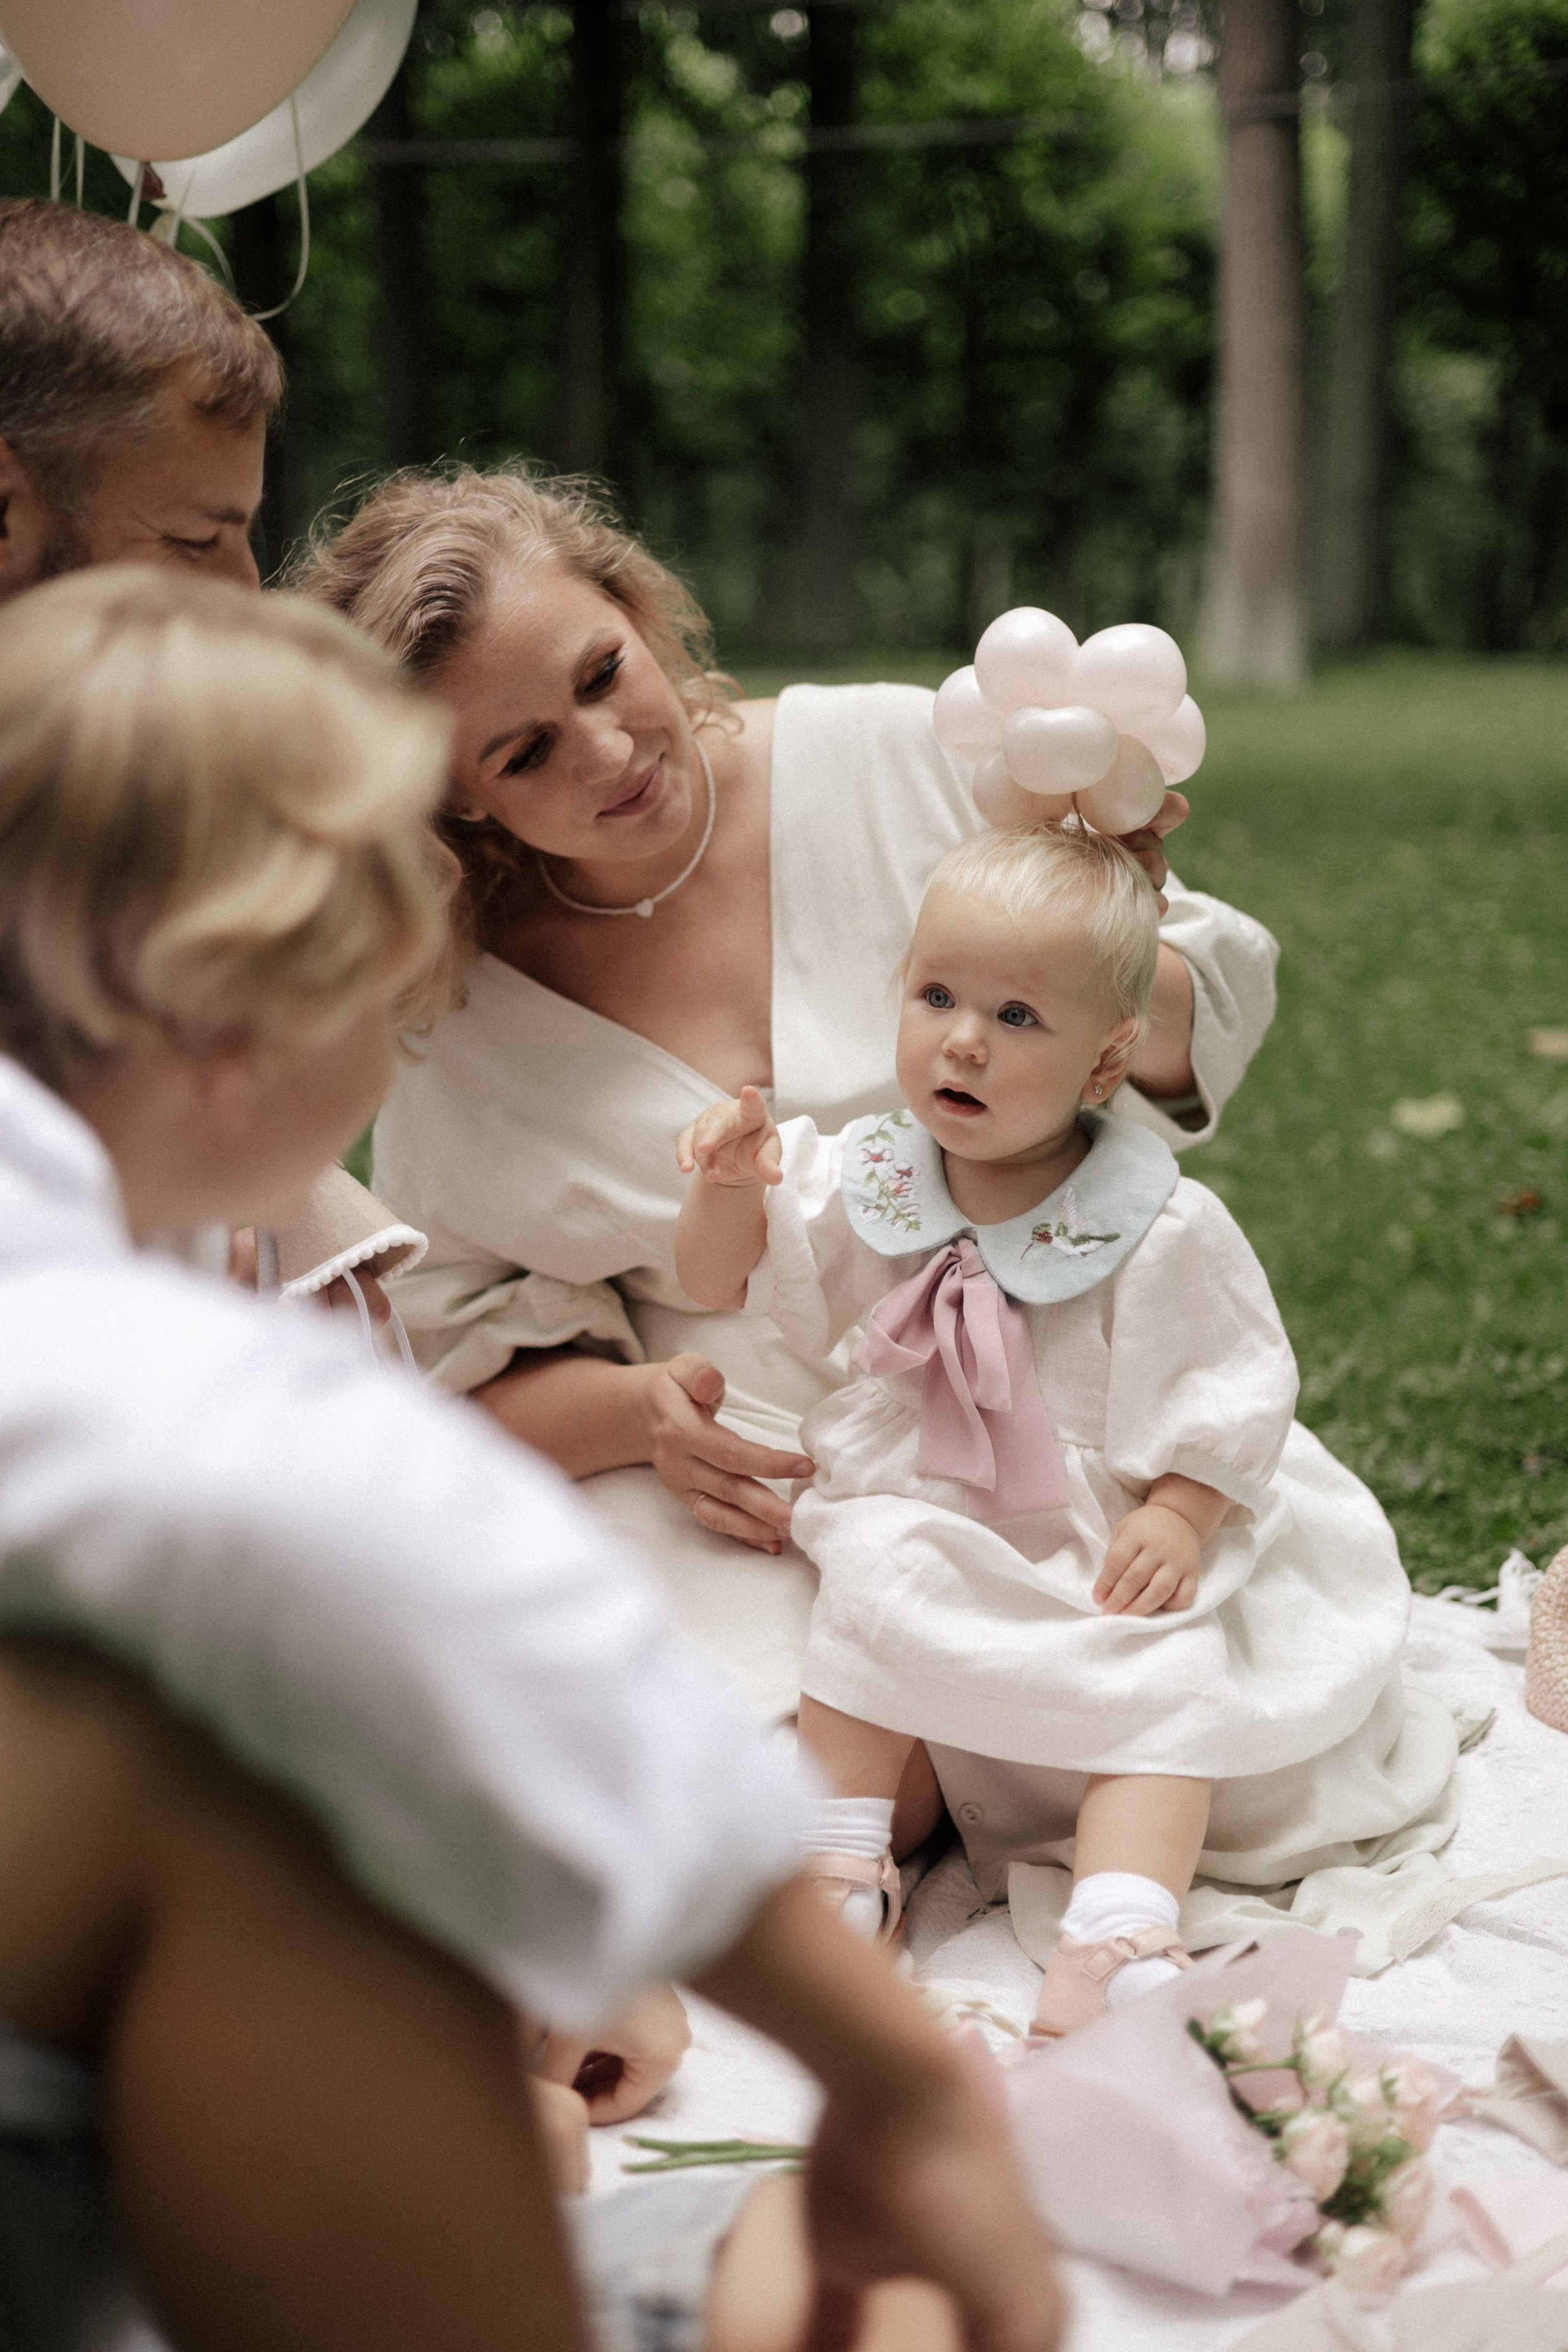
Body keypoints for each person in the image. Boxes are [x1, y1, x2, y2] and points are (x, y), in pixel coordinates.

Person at [0, 567, 1066, 2352]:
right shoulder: (178, 1390)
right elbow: (503, 1643)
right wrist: (910, 2088)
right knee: (287, 1862)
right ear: (237, 1001)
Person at [300, 466, 1457, 1947]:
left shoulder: (895, 753)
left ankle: (1032, 1890)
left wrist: (1115, 933)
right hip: (748, 1487)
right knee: (677, 1796)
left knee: (1171, 1725)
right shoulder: (453, 1005)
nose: (609, 750)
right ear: (455, 801)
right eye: (526, 752)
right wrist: (641, 1411)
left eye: (606, 673)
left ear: (637, 609)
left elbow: (1176, 1031)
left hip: (1056, 1425)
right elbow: (456, 1368)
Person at [675, 821, 1433, 2032]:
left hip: (1101, 1521)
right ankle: (835, 1869)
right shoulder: (871, 1180)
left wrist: (1183, 1515)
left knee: (1165, 1672)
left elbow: (1230, 1391)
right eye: (935, 995)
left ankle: (1117, 1926)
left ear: (1103, 1062)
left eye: (1017, 1017)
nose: (962, 1038)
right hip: (922, 1498)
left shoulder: (1157, 1227)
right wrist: (724, 1188)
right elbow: (725, 1279)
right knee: (865, 1608)